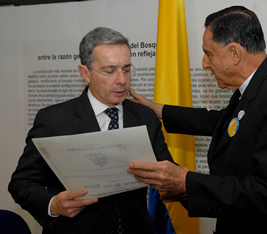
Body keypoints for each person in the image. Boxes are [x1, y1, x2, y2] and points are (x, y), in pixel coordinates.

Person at [127, 6, 267, 234]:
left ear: (234, 53)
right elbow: (220, 122)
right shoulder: (258, 88)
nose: (204, 63)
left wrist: (186, 182)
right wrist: (156, 110)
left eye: (208, 53)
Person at [8, 27, 174, 233]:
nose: (122, 80)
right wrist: (53, 204)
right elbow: (21, 183)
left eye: (126, 69)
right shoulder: (54, 119)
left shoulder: (145, 117)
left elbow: (168, 173)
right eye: (109, 70)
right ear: (85, 73)